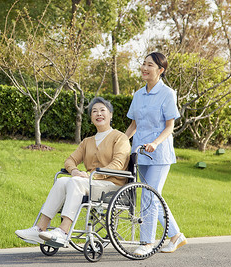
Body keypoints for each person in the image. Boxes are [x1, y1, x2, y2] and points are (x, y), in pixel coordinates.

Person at [15, 97, 131, 246]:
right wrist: (75, 171)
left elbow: (118, 164)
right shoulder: (87, 141)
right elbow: (70, 160)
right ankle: (39, 228)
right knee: (63, 180)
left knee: (76, 182)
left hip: (112, 186)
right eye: (94, 111)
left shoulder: (120, 138)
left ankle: (63, 232)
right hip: (89, 183)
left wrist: (90, 175)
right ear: (91, 118)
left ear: (111, 115)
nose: (99, 114)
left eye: (103, 110)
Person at [125, 52, 187, 255]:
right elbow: (134, 124)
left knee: (149, 195)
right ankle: (176, 236)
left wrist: (155, 143)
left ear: (160, 70)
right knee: (152, 195)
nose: (144, 68)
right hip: (140, 152)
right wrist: (121, 143)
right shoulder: (138, 94)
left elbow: (170, 127)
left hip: (159, 154)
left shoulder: (167, 94)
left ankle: (147, 243)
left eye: (149, 65)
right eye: (143, 64)